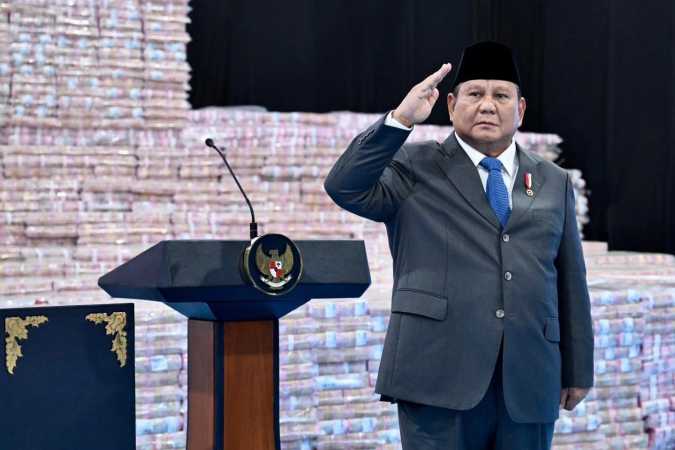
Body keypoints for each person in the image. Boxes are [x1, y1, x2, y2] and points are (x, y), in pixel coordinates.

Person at [323, 41, 594, 450]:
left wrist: (578, 368)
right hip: (438, 376)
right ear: (451, 105)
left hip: (529, 378)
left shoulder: (553, 181)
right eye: (475, 94)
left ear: (520, 110)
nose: (487, 106)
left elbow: (570, 278)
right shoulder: (414, 165)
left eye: (501, 95)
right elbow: (345, 187)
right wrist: (400, 120)